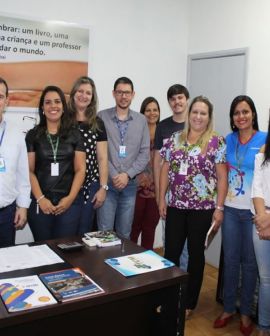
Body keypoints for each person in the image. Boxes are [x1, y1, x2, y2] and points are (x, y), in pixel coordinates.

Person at [159, 95, 227, 319]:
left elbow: (222, 177)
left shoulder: (216, 142)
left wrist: (219, 208)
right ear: (188, 114)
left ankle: (188, 303)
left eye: (203, 113)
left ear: (209, 117)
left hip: (203, 209)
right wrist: (161, 199)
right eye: (195, 112)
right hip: (176, 206)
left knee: (196, 256)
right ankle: (169, 298)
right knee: (171, 253)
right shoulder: (174, 139)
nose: (198, 116)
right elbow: (164, 170)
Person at [214, 95, 266, 336]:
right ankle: (228, 309)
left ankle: (246, 312)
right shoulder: (228, 140)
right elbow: (221, 175)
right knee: (231, 260)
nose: (241, 116)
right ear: (232, 117)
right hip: (232, 210)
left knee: (250, 263)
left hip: (255, 212)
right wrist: (220, 206)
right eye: (236, 113)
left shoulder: (265, 139)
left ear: (253, 114)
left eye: (245, 112)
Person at [25, 85, 86, 241]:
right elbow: (29, 170)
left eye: (57, 102)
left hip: (69, 204)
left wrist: (70, 198)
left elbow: (80, 169)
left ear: (63, 107)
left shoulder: (75, 134)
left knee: (65, 250)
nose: (53, 106)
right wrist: (40, 199)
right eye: (48, 102)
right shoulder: (33, 135)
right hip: (40, 204)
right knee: (43, 250)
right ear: (42, 107)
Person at [97, 77, 149, 239]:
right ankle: (102, 264)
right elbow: (99, 152)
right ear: (114, 94)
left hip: (130, 185)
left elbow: (145, 153)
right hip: (107, 185)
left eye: (127, 93)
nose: (123, 96)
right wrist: (114, 174)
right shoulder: (101, 117)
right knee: (104, 232)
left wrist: (127, 175)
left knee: (124, 233)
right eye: (120, 92)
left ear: (133, 94)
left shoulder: (141, 121)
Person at [153, 84, 189, 270]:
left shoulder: (195, 124)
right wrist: (160, 197)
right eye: (173, 99)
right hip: (169, 193)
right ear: (169, 102)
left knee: (187, 246)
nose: (177, 102)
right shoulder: (163, 127)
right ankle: (171, 284)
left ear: (186, 99)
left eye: (180, 97)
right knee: (170, 241)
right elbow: (158, 161)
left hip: (191, 196)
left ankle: (183, 284)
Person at [68, 76, 108, 235]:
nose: (84, 96)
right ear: (73, 94)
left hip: (90, 185)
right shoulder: (64, 121)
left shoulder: (97, 123)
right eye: (80, 91)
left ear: (92, 97)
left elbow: (103, 158)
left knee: (84, 232)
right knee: (66, 233)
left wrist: (103, 188)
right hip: (66, 186)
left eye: (88, 93)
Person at [0, 77, 31, 247]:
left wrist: (23, 206)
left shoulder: (15, 134)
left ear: (6, 101)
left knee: (5, 266)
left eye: (0, 96)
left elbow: (22, 175)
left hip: (6, 214)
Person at [130, 97, 160, 249]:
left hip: (156, 191)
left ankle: (148, 267)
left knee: (150, 230)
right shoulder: (136, 133)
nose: (152, 113)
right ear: (142, 113)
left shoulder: (164, 135)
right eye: (148, 110)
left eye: (155, 110)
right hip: (136, 189)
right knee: (133, 229)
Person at [251, 118, 270, 336]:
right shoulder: (264, 151)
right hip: (261, 216)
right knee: (265, 279)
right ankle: (264, 327)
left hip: (265, 219)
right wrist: (263, 217)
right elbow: (257, 186)